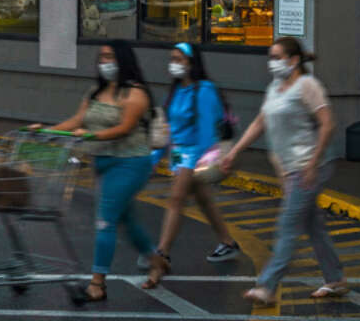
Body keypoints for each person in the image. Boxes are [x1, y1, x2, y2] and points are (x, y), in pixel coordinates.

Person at [226, 37, 345, 305]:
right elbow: (260, 122)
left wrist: (313, 164)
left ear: (293, 60)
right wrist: (235, 151)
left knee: (288, 226)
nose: (272, 63)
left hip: (309, 167)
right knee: (313, 227)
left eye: (277, 57)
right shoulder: (275, 87)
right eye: (271, 57)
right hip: (292, 169)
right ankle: (335, 278)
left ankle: (266, 286)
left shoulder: (308, 86)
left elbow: (328, 124)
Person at [42, 40, 154, 302]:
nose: (104, 62)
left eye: (109, 56)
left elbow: (125, 128)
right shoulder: (95, 92)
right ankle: (156, 261)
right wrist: (48, 131)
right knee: (126, 220)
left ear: (123, 60)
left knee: (105, 220)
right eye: (101, 57)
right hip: (104, 162)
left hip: (130, 162)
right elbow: (77, 121)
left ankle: (97, 283)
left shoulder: (135, 94)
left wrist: (92, 136)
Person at [144, 43, 239, 287]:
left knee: (176, 199)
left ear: (191, 62)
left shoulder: (204, 90)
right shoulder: (175, 91)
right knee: (203, 200)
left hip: (199, 154)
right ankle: (228, 243)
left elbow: (207, 134)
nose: (173, 63)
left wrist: (192, 164)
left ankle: (162, 253)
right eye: (171, 58)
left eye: (178, 58)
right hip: (180, 154)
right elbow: (169, 131)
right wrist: (154, 160)